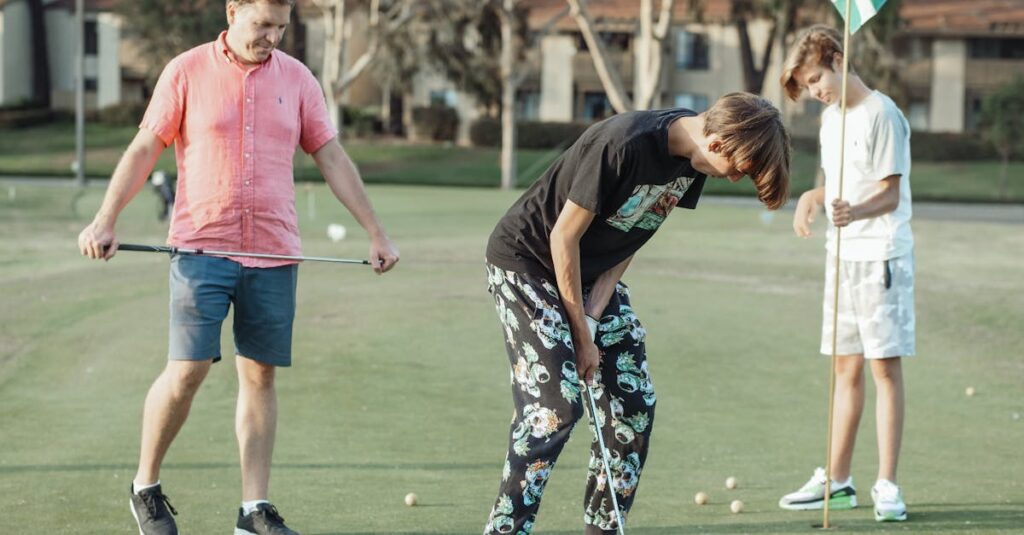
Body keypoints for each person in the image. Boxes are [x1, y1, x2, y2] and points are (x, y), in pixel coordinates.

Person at [76, 1, 399, 534]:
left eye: (280, 27)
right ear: (232, 12)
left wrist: (376, 231)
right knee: (187, 370)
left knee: (259, 374)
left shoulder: (298, 79)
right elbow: (145, 147)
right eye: (262, 24)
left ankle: (253, 512)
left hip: (273, 251)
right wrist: (105, 219)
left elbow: (331, 156)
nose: (272, 36)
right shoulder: (185, 70)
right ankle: (145, 487)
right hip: (201, 248)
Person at [482, 92, 791, 534]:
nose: (736, 178)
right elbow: (563, 238)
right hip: (527, 262)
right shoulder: (623, 144)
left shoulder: (694, 163)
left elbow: (633, 232)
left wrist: (593, 316)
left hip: (590, 274)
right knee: (553, 410)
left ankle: (604, 527)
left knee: (633, 405)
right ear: (718, 143)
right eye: (739, 169)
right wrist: (582, 336)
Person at [777, 24, 914, 523]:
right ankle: (837, 481)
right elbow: (837, 187)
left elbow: (889, 194)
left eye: (816, 78)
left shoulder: (883, 114)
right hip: (841, 257)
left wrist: (853, 212)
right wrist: (812, 198)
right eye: (807, 85)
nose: (815, 91)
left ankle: (887, 485)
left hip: (881, 257)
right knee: (845, 368)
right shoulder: (830, 119)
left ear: (837, 58)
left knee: (884, 369)